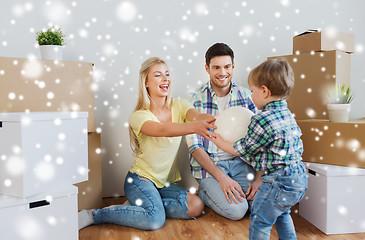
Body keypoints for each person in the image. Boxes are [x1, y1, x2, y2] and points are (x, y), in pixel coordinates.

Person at [79, 57, 217, 231]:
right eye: (158, 75)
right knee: (154, 220)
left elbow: (196, 116)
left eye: (167, 74)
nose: (166, 79)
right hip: (140, 180)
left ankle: (139, 208)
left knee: (196, 206)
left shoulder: (180, 105)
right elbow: (161, 130)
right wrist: (193, 127)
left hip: (164, 183)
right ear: (146, 83)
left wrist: (212, 120)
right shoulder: (139, 116)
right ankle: (94, 215)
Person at [210, 58, 308, 239]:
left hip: (279, 182)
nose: (251, 95)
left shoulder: (262, 120)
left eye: (252, 91)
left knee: (260, 220)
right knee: (282, 213)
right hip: (299, 178)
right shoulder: (287, 114)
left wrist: (219, 141)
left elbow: (243, 149)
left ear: (264, 91)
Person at [186, 43, 260, 221]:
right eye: (216, 67)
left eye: (227, 67)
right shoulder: (195, 100)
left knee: (259, 207)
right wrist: (221, 178)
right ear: (207, 69)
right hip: (212, 168)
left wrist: (259, 179)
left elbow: (261, 140)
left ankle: (226, 193)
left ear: (233, 67)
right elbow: (194, 148)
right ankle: (205, 194)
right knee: (237, 211)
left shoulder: (247, 97)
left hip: (242, 162)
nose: (222, 72)